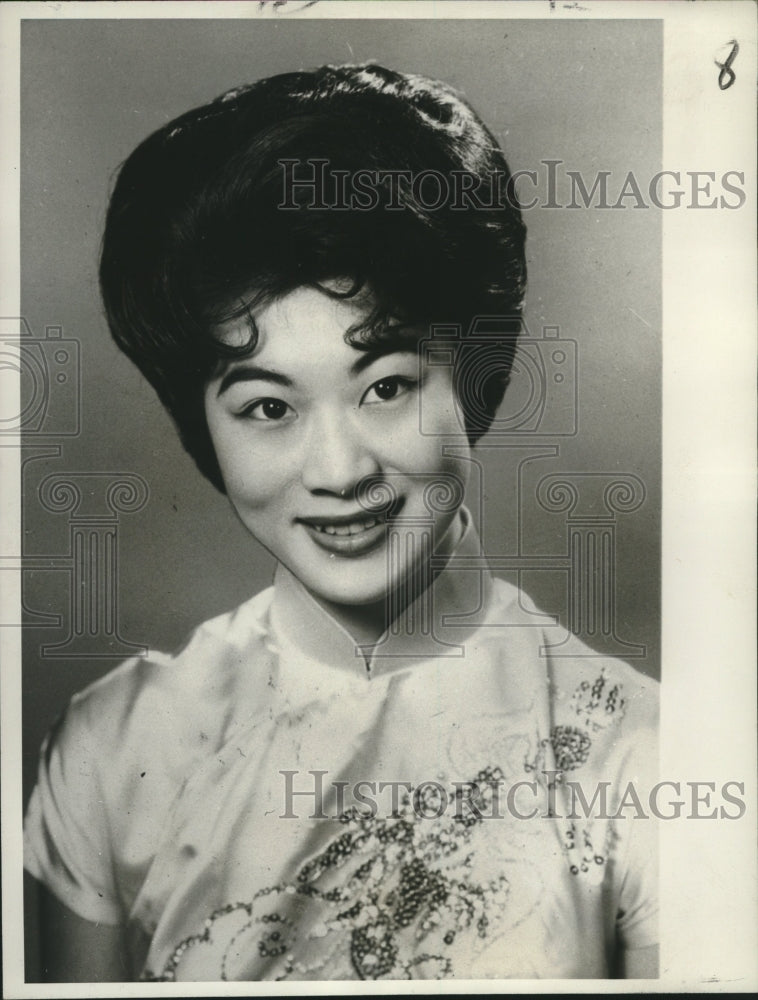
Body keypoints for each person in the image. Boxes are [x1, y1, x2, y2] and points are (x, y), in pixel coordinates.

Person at [24, 63, 658, 982]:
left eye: (387, 386)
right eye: (268, 408)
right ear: (203, 427)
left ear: (473, 377)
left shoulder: (634, 754)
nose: (340, 471)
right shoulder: (120, 749)